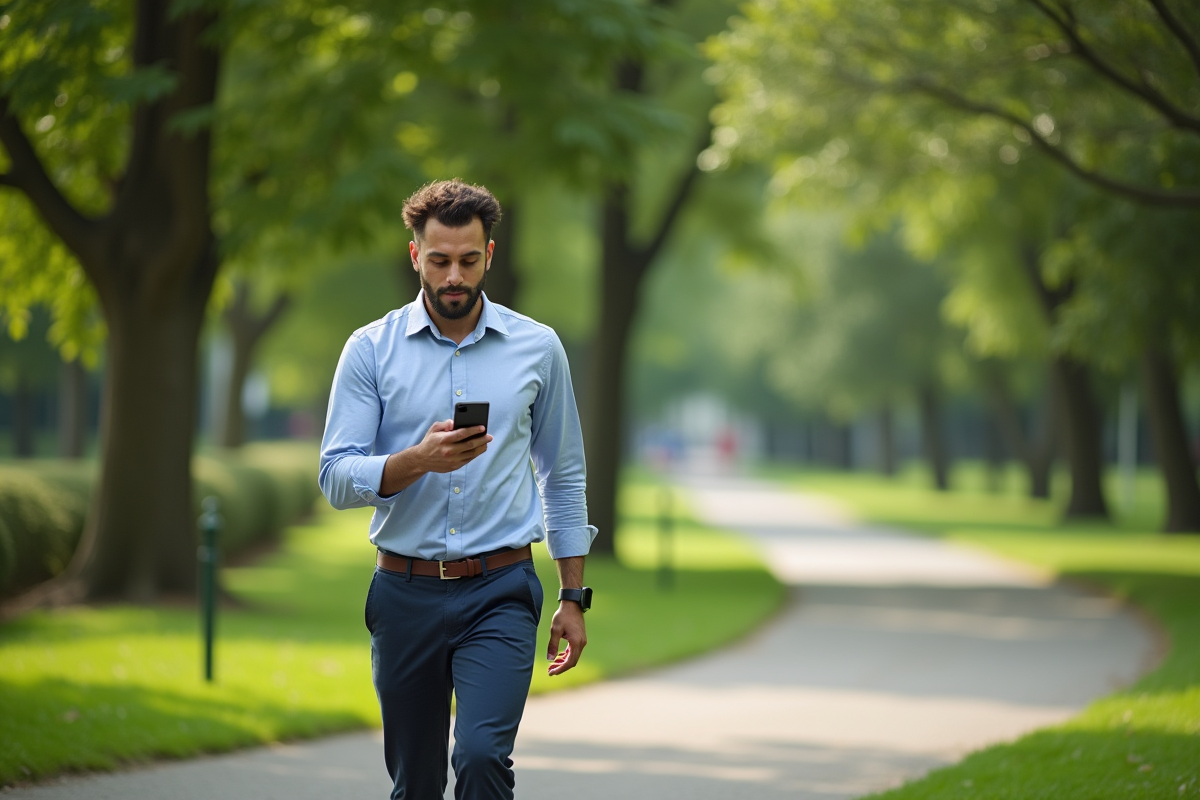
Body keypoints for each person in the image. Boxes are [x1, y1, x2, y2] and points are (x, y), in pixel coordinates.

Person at [318, 179, 596, 800]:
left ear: (489, 255)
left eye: (468, 261)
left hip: (500, 590)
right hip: (404, 592)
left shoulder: (538, 348)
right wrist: (417, 460)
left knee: (478, 757)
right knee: (415, 783)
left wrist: (573, 594)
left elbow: (564, 475)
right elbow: (336, 476)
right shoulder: (369, 350)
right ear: (415, 255)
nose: (453, 276)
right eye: (439, 260)